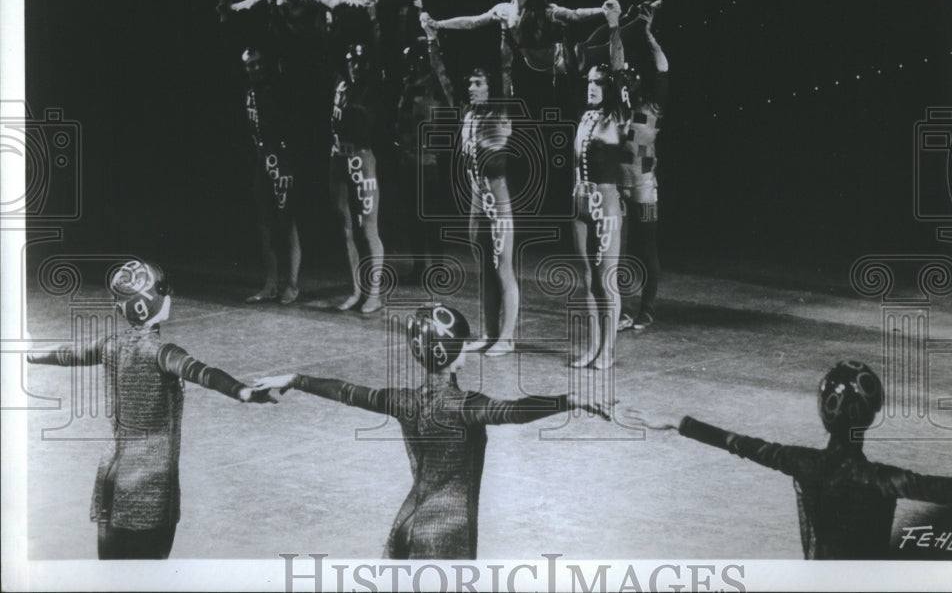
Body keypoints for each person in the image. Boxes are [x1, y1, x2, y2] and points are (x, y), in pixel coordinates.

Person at [252, 303, 611, 559]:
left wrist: (297, 379)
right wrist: (569, 399)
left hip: (407, 521)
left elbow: (346, 391)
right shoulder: (465, 406)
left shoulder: (403, 400)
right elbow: (514, 412)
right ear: (456, 356)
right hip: (446, 534)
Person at [27, 259, 274, 560]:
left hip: (111, 474)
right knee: (150, 573)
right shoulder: (163, 353)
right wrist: (243, 392)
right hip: (150, 483)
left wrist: (32, 355)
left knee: (112, 574)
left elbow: (69, 354)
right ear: (154, 300)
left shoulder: (111, 344)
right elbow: (204, 373)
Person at [622, 360, 952, 559]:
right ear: (872, 414)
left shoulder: (803, 463)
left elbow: (739, 443)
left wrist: (677, 421)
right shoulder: (887, 480)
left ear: (825, 415)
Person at [423, 0, 608, 99]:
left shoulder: (545, 10)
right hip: (533, 72)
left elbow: (575, 14)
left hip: (565, 66)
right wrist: (439, 24)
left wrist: (604, 10)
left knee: (599, 47)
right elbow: (473, 22)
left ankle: (629, 19)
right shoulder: (503, 10)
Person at [570, 0, 628, 369]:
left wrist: (613, 26)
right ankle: (592, 346)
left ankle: (608, 350)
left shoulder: (616, 118)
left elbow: (619, 66)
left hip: (606, 203)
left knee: (607, 279)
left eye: (598, 83)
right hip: (579, 201)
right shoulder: (585, 117)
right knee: (587, 277)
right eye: (589, 82)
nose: (591, 87)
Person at [455, 61, 518, 357]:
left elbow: (506, 69)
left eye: (478, 83)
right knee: (484, 270)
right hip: (477, 200)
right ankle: (490, 332)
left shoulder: (501, 112)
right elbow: (445, 81)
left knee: (503, 268)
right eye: (469, 83)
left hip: (498, 200)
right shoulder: (469, 115)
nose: (471, 88)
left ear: (492, 89)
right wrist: (432, 42)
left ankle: (507, 337)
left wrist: (505, 32)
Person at [613, 2, 669, 332]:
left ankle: (646, 309)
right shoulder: (618, 110)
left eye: (634, 80)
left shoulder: (653, 108)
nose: (630, 84)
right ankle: (621, 309)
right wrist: (620, 27)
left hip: (645, 188)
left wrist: (647, 35)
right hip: (618, 188)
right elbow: (617, 61)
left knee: (646, 246)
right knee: (616, 250)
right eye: (626, 81)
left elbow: (662, 68)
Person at [393, 26, 455, 282]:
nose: (413, 62)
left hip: (428, 161)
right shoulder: (407, 86)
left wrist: (432, 43)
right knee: (413, 216)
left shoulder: (435, 86)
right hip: (408, 159)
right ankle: (419, 267)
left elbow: (439, 69)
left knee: (431, 217)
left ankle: (438, 267)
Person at [328, 42, 385, 313]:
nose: (355, 66)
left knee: (368, 226)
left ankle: (374, 292)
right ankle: (356, 289)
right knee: (345, 224)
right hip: (338, 157)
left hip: (361, 158)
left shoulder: (371, 88)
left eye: (361, 62)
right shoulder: (341, 85)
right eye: (352, 61)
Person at [242, 46, 302, 304]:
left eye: (258, 63)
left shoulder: (278, 90)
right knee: (265, 224)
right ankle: (270, 283)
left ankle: (292, 284)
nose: (255, 68)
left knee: (286, 222)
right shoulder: (250, 93)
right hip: (262, 160)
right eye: (249, 65)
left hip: (282, 159)